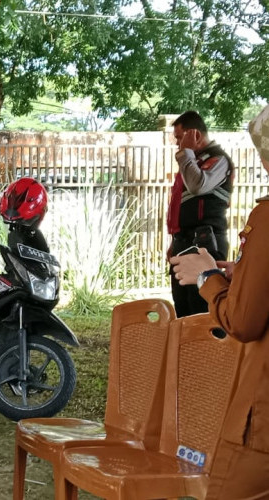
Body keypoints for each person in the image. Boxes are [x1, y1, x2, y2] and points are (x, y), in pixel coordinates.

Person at [169, 106, 269, 499]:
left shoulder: (219, 163)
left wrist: (210, 278)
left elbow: (243, 320)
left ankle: (211, 374)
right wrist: (241, 274)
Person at [166, 110, 234, 317]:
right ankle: (186, 350)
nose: (178, 145)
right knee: (183, 309)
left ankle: (208, 351)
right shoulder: (191, 163)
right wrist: (175, 242)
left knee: (202, 309)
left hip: (205, 242)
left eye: (180, 138)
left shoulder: (219, 159)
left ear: (194, 134)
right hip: (184, 242)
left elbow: (198, 186)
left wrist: (186, 153)